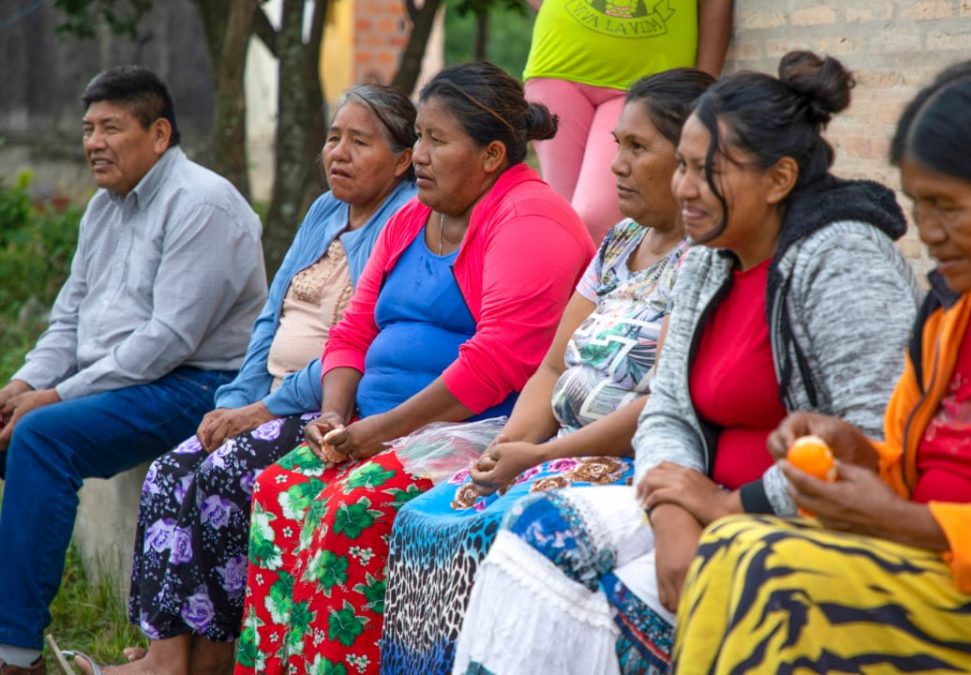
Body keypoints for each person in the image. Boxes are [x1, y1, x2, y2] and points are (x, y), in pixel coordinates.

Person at [453, 51, 923, 675]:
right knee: (537, 538)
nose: (683, 188)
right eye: (682, 167)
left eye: (705, 170)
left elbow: (874, 437)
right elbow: (670, 405)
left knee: (608, 603)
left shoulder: (842, 261)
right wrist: (673, 513)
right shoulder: (709, 255)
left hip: (802, 517)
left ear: (779, 180)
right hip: (699, 500)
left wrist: (729, 509)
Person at [671, 59, 971, 675]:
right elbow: (911, 465)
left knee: (769, 573)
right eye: (920, 206)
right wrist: (855, 458)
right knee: (730, 548)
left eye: (950, 207)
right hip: (930, 569)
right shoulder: (952, 314)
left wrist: (911, 523)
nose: (930, 233)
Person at [235, 61, 595, 675]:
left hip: (475, 434)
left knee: (352, 506)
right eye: (420, 136)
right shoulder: (411, 217)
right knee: (282, 488)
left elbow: (496, 364)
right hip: (377, 427)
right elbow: (352, 330)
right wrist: (332, 413)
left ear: (492, 155)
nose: (419, 155)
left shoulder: (530, 221)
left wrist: (380, 432)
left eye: (436, 140)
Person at [65, 85, 417, 675]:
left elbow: (352, 345)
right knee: (169, 471)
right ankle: (165, 653)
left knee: (224, 475)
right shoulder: (324, 210)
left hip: (326, 405)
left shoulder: (402, 220)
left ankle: (215, 654)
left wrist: (263, 411)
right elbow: (271, 315)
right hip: (268, 396)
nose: (339, 153)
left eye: (361, 142)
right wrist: (235, 400)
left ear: (403, 160)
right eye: (334, 138)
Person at [380, 67, 714, 675]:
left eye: (638, 148)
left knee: (496, 532)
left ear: (695, 159)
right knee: (422, 522)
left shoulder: (707, 262)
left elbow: (658, 404)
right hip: (550, 446)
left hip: (622, 461)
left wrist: (533, 461)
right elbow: (553, 365)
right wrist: (508, 447)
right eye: (618, 146)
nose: (616, 165)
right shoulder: (619, 243)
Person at [0, 66, 266, 675]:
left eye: (112, 128)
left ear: (159, 132)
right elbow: (66, 320)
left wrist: (58, 397)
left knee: (42, 438)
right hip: (124, 381)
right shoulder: (102, 208)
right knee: (13, 424)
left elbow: (167, 341)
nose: (93, 142)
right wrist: (22, 385)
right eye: (89, 128)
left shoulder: (203, 203)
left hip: (200, 384)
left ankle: (15, 653)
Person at [523, 0, 734, 243]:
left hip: (651, 78)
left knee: (594, 218)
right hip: (558, 65)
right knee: (560, 221)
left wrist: (703, 80)